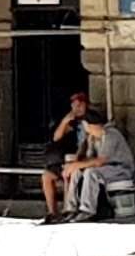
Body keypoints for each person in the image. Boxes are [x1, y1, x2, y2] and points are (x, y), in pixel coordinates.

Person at [58, 115, 135, 223]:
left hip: (120, 169)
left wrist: (77, 164)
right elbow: (89, 159)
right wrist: (74, 166)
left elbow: (101, 160)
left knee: (91, 172)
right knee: (77, 171)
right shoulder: (92, 138)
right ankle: (70, 208)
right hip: (104, 169)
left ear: (91, 125)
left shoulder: (111, 135)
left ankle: (87, 210)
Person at [35, 90, 99, 218]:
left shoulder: (92, 118)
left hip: (85, 158)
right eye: (75, 106)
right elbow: (56, 138)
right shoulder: (71, 121)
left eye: (80, 105)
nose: (77, 108)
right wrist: (65, 121)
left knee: (69, 172)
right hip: (66, 158)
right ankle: (52, 212)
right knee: (47, 176)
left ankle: (68, 209)